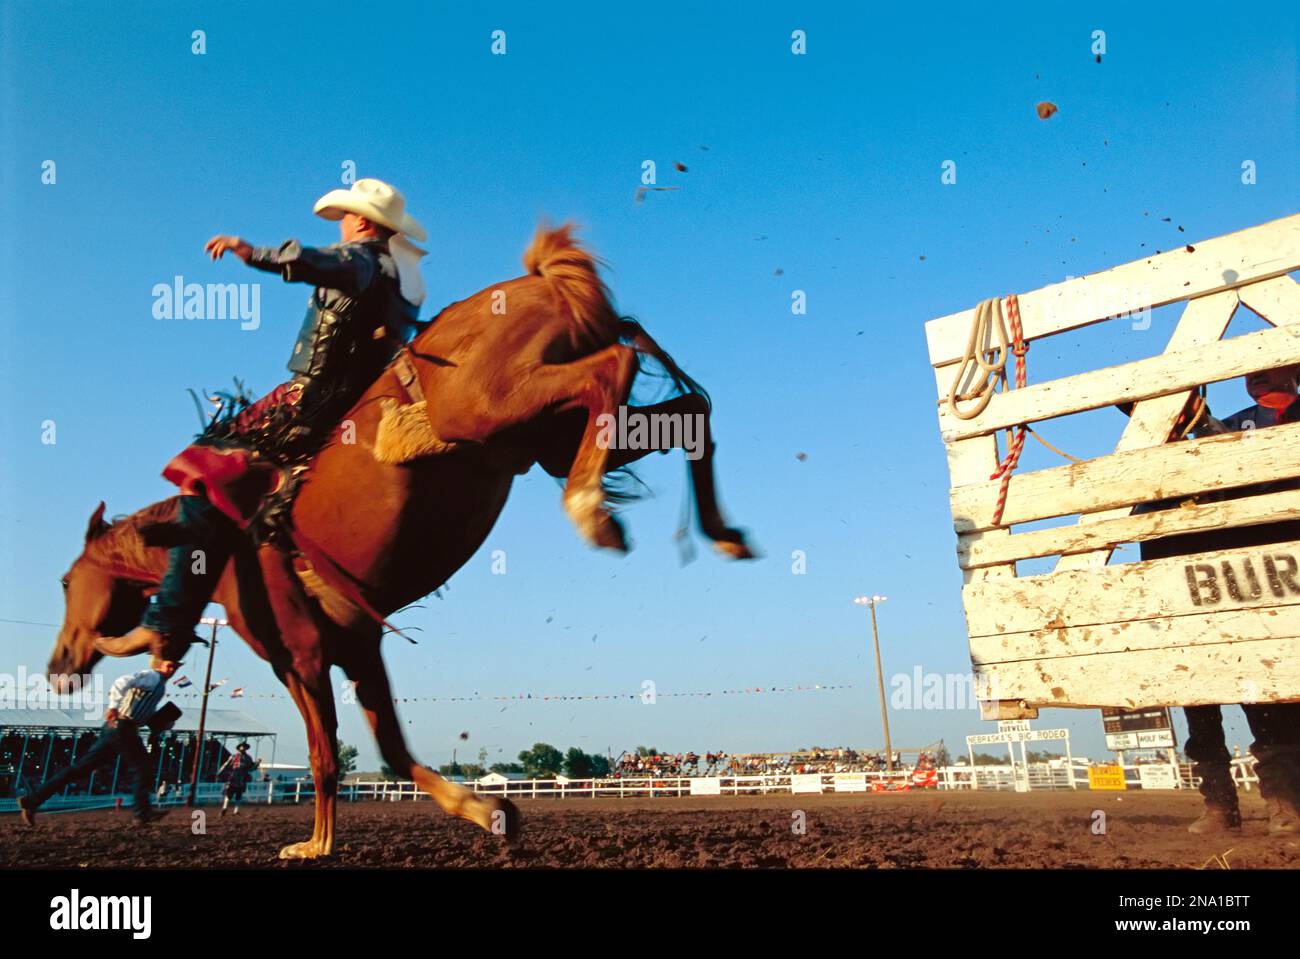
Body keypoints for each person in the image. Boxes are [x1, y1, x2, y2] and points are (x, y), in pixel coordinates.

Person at [94, 178, 429, 665]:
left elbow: (315, 261)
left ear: (362, 222)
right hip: (340, 402)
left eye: (345, 219)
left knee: (203, 468)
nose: (340, 228)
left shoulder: (360, 261)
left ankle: (165, 622)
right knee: (226, 483)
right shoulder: (396, 278)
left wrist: (249, 251)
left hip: (305, 398)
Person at [1135, 366, 1300, 834]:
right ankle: (1220, 804)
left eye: (1272, 369)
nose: (1261, 378)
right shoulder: (1219, 433)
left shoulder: (1232, 431)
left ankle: (1283, 801)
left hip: (1267, 581)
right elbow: (1151, 521)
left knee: (1266, 693)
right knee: (1199, 693)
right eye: (1255, 372)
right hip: (1204, 586)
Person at [19, 656, 182, 825]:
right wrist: (113, 706)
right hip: (123, 727)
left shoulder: (159, 685)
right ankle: (142, 813)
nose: (172, 669)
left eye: (175, 666)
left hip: (117, 727)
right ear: (158, 664)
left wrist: (161, 722)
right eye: (169, 665)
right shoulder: (152, 677)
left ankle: (32, 801)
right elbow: (122, 682)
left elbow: (139, 709)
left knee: (80, 769)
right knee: (142, 767)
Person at [217, 742, 261, 816]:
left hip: (241, 779)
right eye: (242, 746)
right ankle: (224, 809)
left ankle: (236, 811)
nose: (243, 748)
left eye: (244, 747)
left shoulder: (248, 758)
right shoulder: (234, 756)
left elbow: (250, 768)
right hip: (232, 778)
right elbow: (226, 764)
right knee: (228, 794)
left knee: (239, 795)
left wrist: (256, 764)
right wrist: (220, 772)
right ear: (239, 747)